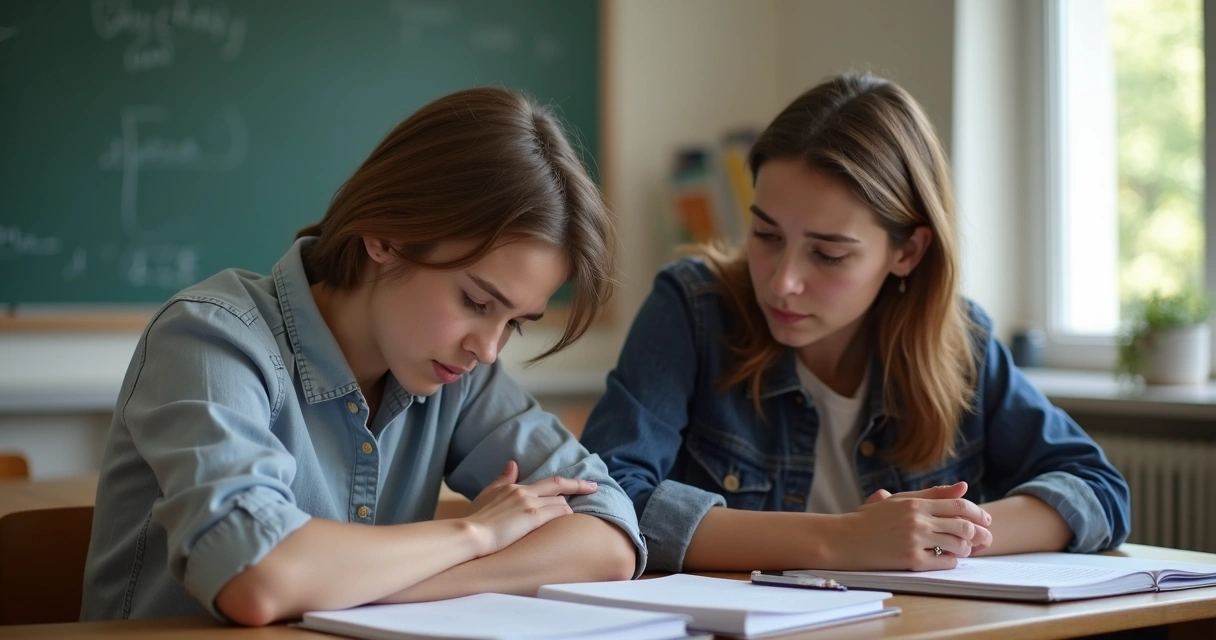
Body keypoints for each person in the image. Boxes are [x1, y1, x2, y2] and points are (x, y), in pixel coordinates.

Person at [82, 87, 643, 625]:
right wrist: (476, 536)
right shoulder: (209, 337)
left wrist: (359, 586)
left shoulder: (460, 374)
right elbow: (258, 576)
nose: (489, 348)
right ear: (385, 235)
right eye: (475, 300)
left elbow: (609, 535)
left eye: (515, 324)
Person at [580, 73, 1130, 574]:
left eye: (829, 254)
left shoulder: (961, 340)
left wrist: (939, 536)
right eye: (767, 236)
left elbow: (1098, 489)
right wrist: (840, 539)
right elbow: (607, 500)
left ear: (908, 252)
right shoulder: (692, 308)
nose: (782, 282)